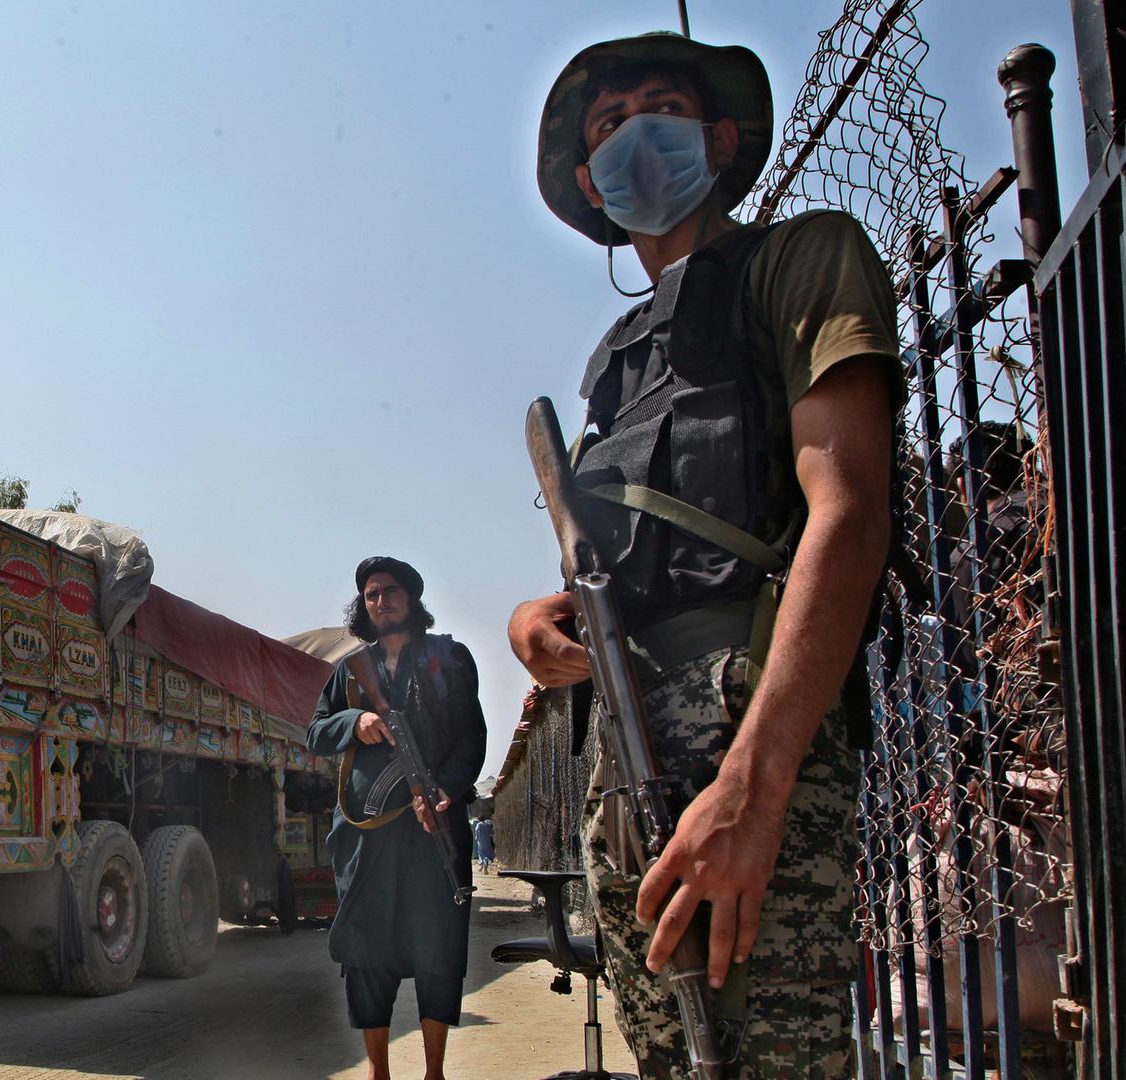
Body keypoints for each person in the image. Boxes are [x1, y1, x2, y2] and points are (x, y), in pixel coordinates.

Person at [509, 31, 900, 1076]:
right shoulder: (614, 369)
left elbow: (849, 511)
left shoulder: (801, 259)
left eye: (664, 106)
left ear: (719, 139)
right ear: (592, 180)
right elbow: (603, 568)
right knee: (670, 1060)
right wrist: (534, 624)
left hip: (746, 729)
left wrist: (756, 786)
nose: (638, 129)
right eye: (610, 122)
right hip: (625, 759)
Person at [309, 556, 486, 1080]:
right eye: (370, 594)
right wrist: (354, 719)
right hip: (368, 840)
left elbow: (471, 737)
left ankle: (434, 1071)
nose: (380, 600)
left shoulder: (448, 658)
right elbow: (315, 732)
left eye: (389, 591)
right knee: (367, 951)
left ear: (411, 600)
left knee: (438, 946)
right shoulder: (348, 670)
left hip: (434, 830)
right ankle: (378, 1072)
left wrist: (446, 793)